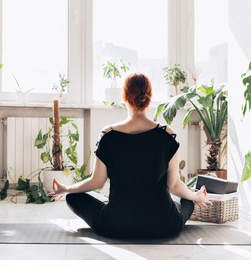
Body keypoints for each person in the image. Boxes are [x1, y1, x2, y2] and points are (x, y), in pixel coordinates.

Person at [51, 73, 212, 239]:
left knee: (73, 197)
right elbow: (174, 185)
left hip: (116, 225)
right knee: (187, 200)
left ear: (124, 97)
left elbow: (96, 181)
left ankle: (111, 204)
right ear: (149, 98)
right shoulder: (167, 135)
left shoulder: (108, 135)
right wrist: (196, 196)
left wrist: (67, 189)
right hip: (164, 225)